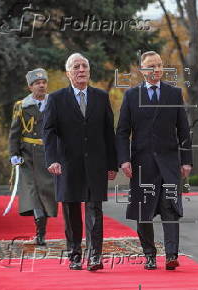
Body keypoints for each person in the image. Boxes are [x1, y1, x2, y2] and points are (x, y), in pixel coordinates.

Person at [115, 51, 192, 271]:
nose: (156, 70)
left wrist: (186, 160)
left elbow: (184, 130)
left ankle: (171, 255)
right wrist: (124, 160)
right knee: (144, 211)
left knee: (170, 208)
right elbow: (122, 132)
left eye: (159, 65)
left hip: (169, 162)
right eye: (151, 66)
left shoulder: (174, 94)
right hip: (142, 164)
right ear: (142, 70)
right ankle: (149, 254)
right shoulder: (131, 96)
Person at [43, 53, 118, 271]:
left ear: (89, 71)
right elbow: (48, 131)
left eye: (84, 66)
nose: (81, 70)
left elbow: (108, 132)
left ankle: (95, 256)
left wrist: (112, 163)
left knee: (95, 210)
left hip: (96, 163)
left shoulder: (101, 97)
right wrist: (52, 159)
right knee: (72, 211)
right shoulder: (56, 99)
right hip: (68, 164)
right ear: (68, 73)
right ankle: (74, 255)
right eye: (76, 66)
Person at [8, 68, 57, 246]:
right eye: (37, 83)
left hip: (48, 154)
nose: (42, 85)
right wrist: (14, 154)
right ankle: (40, 233)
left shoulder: (54, 102)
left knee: (46, 193)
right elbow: (15, 132)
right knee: (33, 193)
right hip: (27, 156)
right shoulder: (21, 106)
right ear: (30, 87)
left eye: (44, 82)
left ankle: (41, 231)